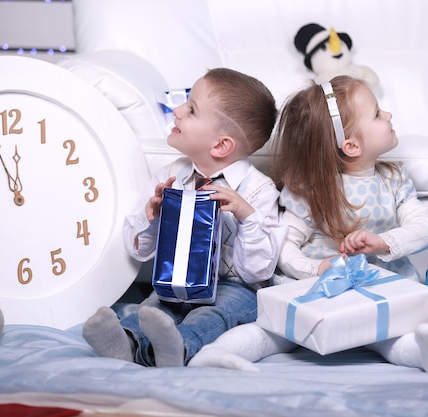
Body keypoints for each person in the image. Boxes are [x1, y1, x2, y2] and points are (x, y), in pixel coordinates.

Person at [189, 75, 428, 373]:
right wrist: (317, 269)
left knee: (389, 336)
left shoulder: (394, 179)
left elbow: (426, 227)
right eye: (378, 114)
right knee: (273, 331)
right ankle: (218, 353)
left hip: (376, 291)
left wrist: (384, 242)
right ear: (351, 146)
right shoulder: (311, 189)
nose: (388, 115)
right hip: (318, 292)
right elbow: (284, 248)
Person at [82, 68, 287, 367]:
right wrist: (151, 217)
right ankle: (126, 342)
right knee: (154, 308)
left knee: (215, 315)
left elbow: (257, 271)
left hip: (233, 288)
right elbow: (137, 249)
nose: (176, 111)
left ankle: (179, 347)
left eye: (190, 110)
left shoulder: (258, 191)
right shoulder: (172, 175)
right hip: (174, 280)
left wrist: (246, 216)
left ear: (220, 145)